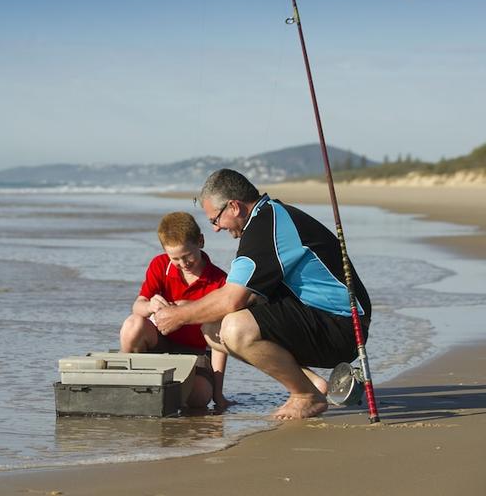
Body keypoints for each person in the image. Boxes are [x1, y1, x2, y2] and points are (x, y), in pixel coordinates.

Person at [154, 169, 371, 419]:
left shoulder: (266, 228)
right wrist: (188, 310)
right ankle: (310, 384)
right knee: (213, 328)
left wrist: (179, 315)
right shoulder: (268, 217)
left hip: (343, 327)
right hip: (323, 317)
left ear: (234, 206)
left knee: (235, 329)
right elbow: (242, 295)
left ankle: (305, 396)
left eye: (215, 220)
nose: (216, 228)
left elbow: (232, 299)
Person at [119, 211, 230, 410]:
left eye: (188, 256)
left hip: (197, 354)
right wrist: (150, 306)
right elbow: (137, 306)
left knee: (199, 397)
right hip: (160, 342)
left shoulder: (220, 281)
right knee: (132, 324)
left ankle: (172, 395)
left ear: (200, 241)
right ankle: (131, 388)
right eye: (175, 259)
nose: (183, 264)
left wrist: (218, 395)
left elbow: (220, 341)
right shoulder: (160, 265)